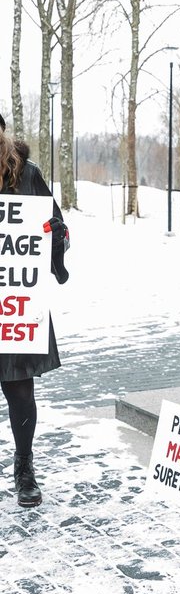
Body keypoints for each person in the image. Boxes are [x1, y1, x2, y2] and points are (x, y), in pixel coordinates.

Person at [0, 113, 69, 508]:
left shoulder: (27, 174)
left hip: (15, 308)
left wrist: (56, 241)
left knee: (20, 393)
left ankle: (24, 465)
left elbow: (53, 225)